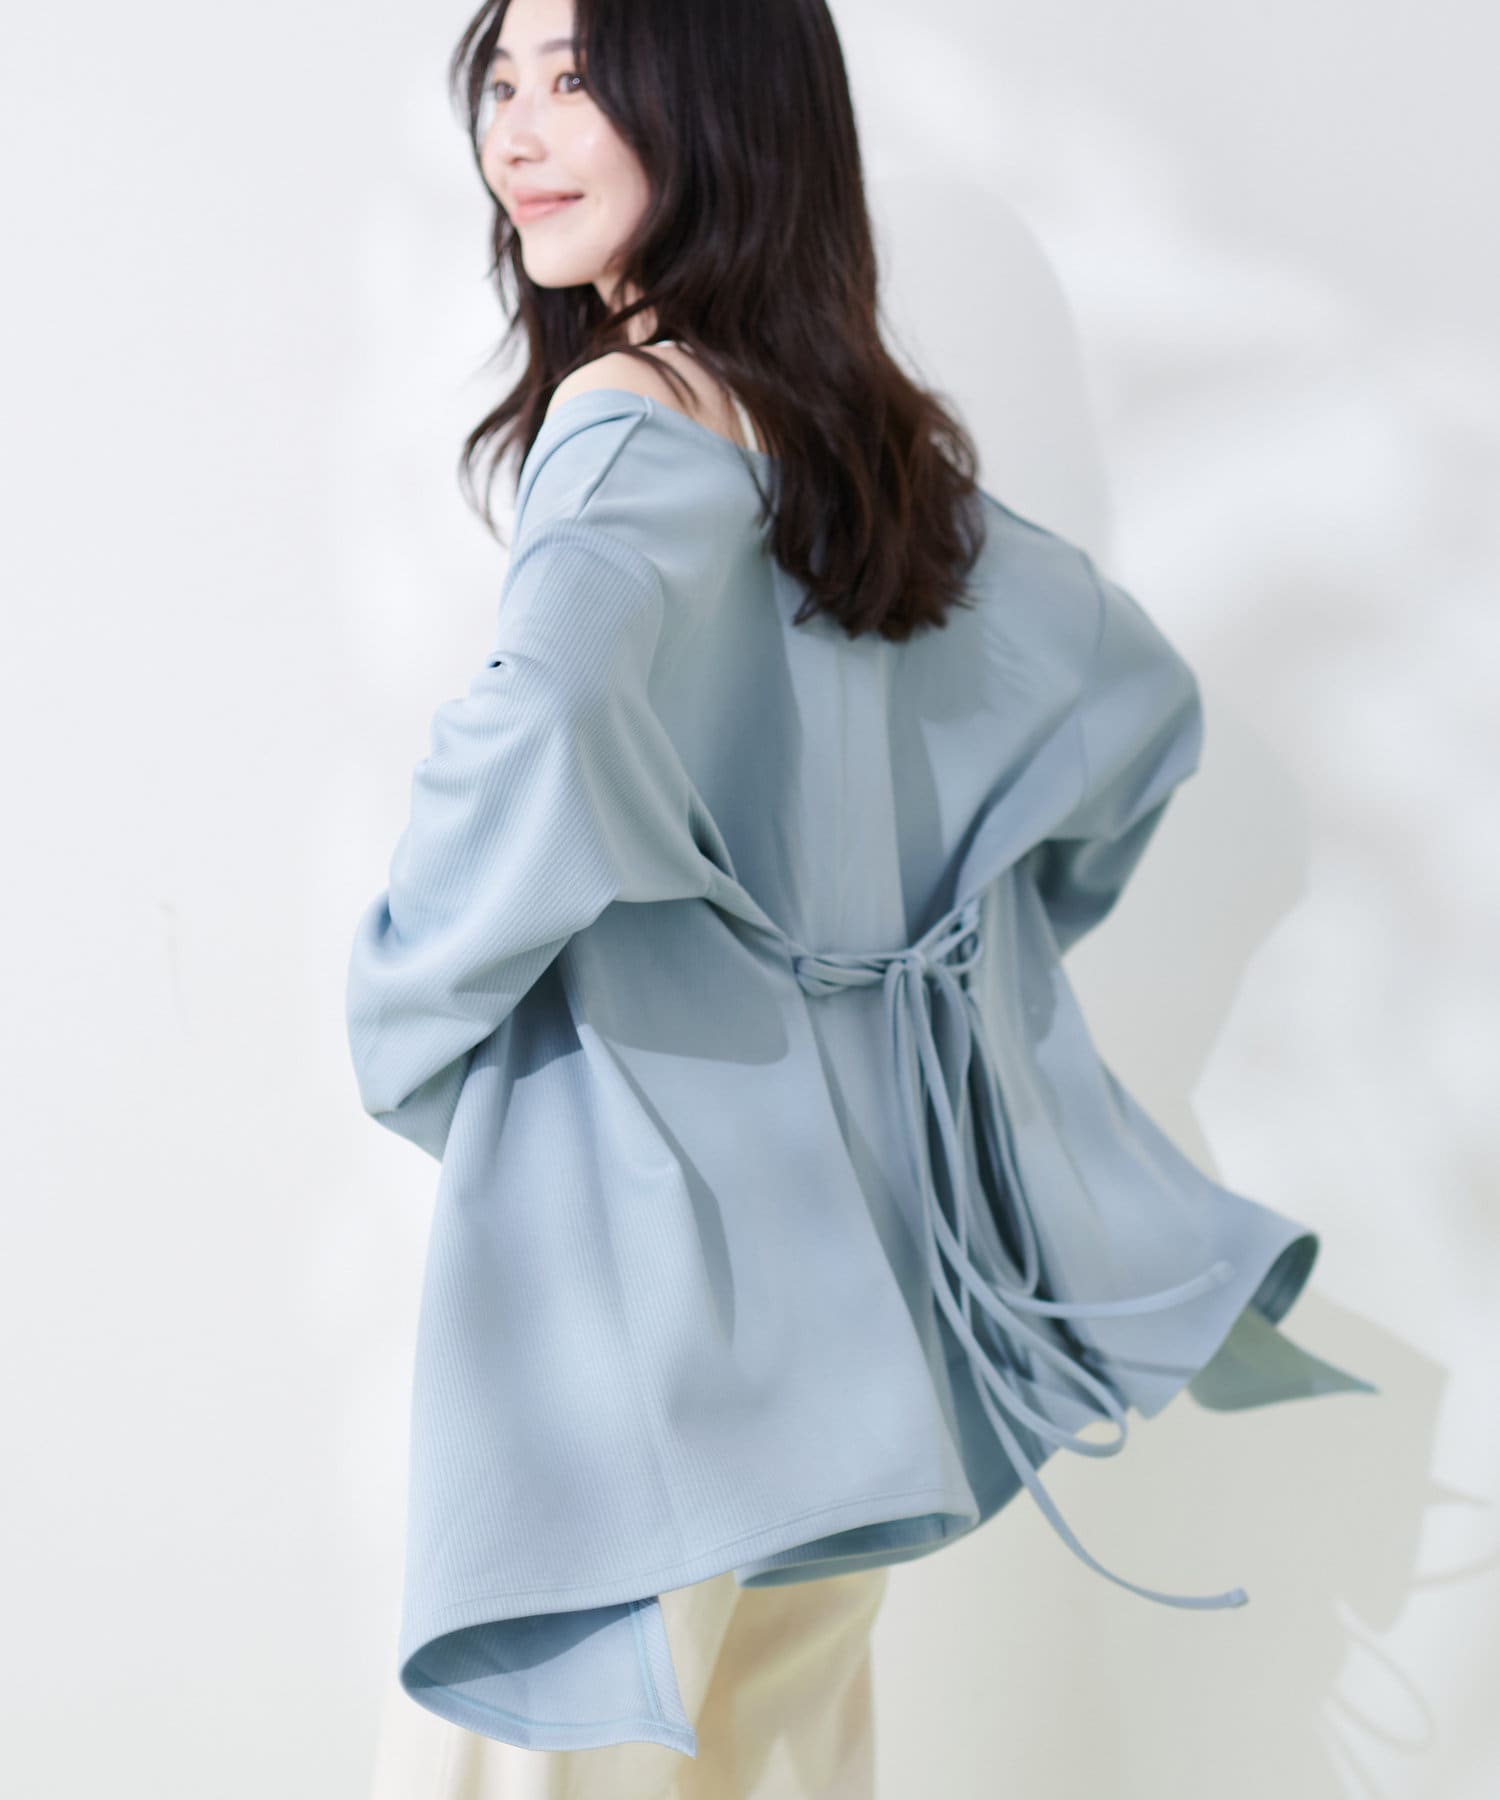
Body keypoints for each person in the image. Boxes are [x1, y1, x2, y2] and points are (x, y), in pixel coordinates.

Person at [347, 0, 1380, 1793]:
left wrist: (404, 993)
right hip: (858, 1263)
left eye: (575, 80)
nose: (516, 131)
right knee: (777, 1751)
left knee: (521, 1752)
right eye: (499, 83)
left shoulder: (623, 415)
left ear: (717, 99)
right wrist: (930, 969)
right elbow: (1125, 704)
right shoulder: (857, 457)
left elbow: (556, 713)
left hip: (637, 1243)